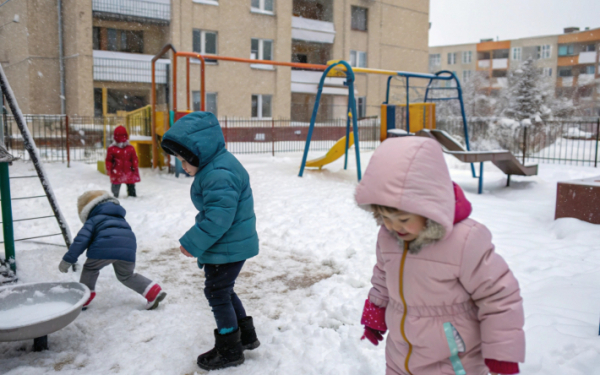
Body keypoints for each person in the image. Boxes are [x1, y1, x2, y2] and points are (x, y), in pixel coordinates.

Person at [355, 137, 525, 375]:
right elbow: (383, 276)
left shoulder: (465, 241)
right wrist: (375, 313)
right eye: (384, 217)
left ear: (429, 205)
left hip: (453, 361)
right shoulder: (388, 236)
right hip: (400, 357)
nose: (394, 227)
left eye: (403, 219)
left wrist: (502, 352)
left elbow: (499, 296)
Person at [160, 111, 260, 371]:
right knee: (224, 289)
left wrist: (191, 243)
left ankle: (229, 350)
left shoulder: (219, 173)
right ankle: (245, 337)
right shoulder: (217, 165)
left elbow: (218, 219)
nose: (183, 166)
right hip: (232, 243)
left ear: (198, 153)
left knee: (216, 292)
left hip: (229, 245)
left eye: (184, 160)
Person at [58, 190, 166, 310]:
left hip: (103, 248)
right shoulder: (121, 219)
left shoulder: (94, 220)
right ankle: (153, 292)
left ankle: (84, 298)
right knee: (126, 276)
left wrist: (68, 259)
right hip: (128, 249)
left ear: (87, 210)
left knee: (90, 269)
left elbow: (80, 241)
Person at [106, 125, 140, 198]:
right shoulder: (112, 148)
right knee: (116, 187)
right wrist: (109, 167)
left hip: (124, 171)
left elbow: (134, 158)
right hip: (120, 171)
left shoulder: (129, 148)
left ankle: (131, 195)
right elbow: (109, 160)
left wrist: (135, 165)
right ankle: (116, 195)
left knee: (130, 185)